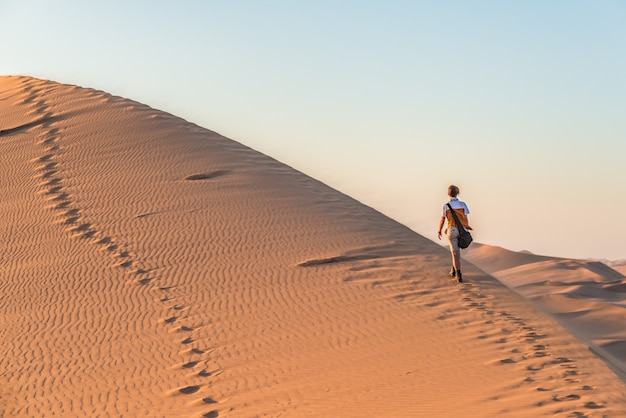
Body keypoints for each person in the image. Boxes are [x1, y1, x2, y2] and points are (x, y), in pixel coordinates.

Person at [437, 185, 472, 283]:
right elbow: (465, 219)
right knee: (457, 253)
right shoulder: (463, 204)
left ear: (448, 194)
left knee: (455, 253)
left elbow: (442, 220)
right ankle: (455, 270)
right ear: (457, 193)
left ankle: (458, 274)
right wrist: (466, 229)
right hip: (461, 230)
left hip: (451, 230)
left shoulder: (445, 206)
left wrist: (439, 230)